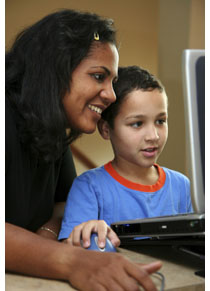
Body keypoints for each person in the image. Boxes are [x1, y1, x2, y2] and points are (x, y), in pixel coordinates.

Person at [5, 9, 162, 291]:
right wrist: (70, 260)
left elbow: (63, 204)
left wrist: (48, 233)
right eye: (98, 76)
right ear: (54, 70)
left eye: (112, 81)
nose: (111, 95)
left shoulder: (51, 132)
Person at [58, 65, 193, 247]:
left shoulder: (180, 185)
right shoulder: (89, 187)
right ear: (106, 129)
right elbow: (69, 249)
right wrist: (86, 234)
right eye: (137, 124)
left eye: (160, 121)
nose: (153, 136)